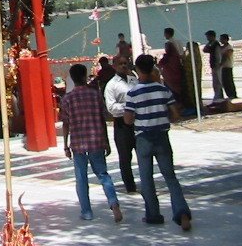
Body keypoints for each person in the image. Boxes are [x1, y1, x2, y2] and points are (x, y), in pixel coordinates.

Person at [124, 54, 192, 231]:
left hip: (143, 138)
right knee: (170, 176)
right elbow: (175, 114)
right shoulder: (163, 90)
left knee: (146, 178)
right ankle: (182, 212)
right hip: (162, 136)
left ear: (137, 69)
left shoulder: (133, 93)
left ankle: (153, 214)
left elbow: (128, 120)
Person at [60, 63, 123, 222]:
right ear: (84, 76)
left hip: (78, 144)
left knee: (81, 179)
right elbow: (103, 119)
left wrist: (65, 145)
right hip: (96, 141)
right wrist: (106, 141)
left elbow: (66, 124)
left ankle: (86, 211)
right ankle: (114, 203)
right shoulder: (95, 95)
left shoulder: (67, 99)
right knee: (103, 175)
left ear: (73, 79)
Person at [103, 55, 138, 194]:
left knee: (142, 153)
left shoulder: (133, 80)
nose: (124, 66)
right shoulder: (111, 85)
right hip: (122, 124)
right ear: (115, 66)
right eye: (121, 64)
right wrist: (128, 107)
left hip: (137, 121)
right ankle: (130, 186)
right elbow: (111, 107)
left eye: (126, 63)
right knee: (125, 156)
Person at [158, 28, 184, 104]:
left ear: (167, 34)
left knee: (171, 86)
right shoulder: (178, 42)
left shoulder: (169, 43)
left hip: (171, 68)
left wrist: (160, 64)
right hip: (179, 65)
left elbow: (167, 55)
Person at [203, 30, 223, 101]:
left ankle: (219, 96)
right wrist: (209, 43)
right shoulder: (211, 44)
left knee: (218, 82)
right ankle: (217, 96)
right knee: (215, 82)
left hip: (216, 65)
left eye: (208, 37)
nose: (207, 38)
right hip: (213, 65)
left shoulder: (215, 44)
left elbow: (218, 55)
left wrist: (218, 63)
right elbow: (204, 50)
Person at [218, 33, 238, 99]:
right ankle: (229, 94)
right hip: (224, 67)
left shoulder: (229, 48)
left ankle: (232, 95)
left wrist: (221, 63)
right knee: (224, 82)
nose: (220, 40)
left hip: (228, 66)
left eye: (221, 39)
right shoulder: (221, 47)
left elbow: (226, 56)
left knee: (229, 81)